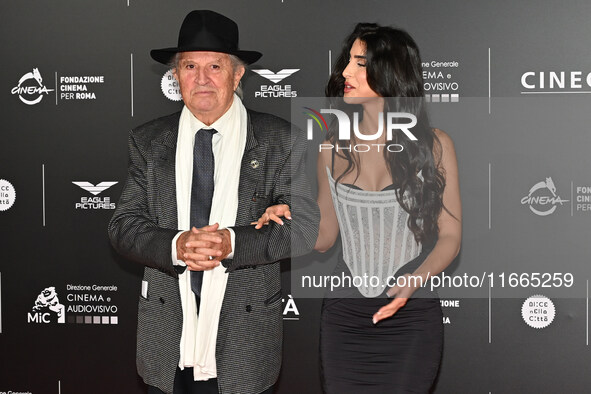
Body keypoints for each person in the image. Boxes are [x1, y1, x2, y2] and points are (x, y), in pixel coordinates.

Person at [108, 10, 319, 394]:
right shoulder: (148, 142)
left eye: (214, 66)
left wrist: (231, 242)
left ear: (238, 74)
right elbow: (123, 226)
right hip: (166, 339)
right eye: (190, 65)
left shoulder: (281, 140)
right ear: (176, 75)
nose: (201, 78)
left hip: (246, 342)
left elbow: (303, 230)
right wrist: (176, 245)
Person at [256, 23, 461, 393]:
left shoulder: (434, 146)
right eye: (348, 62)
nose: (345, 73)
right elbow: (324, 238)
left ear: (391, 72)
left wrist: (414, 281)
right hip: (345, 316)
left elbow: (450, 236)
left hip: (411, 314)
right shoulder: (332, 148)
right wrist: (288, 219)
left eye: (360, 63)